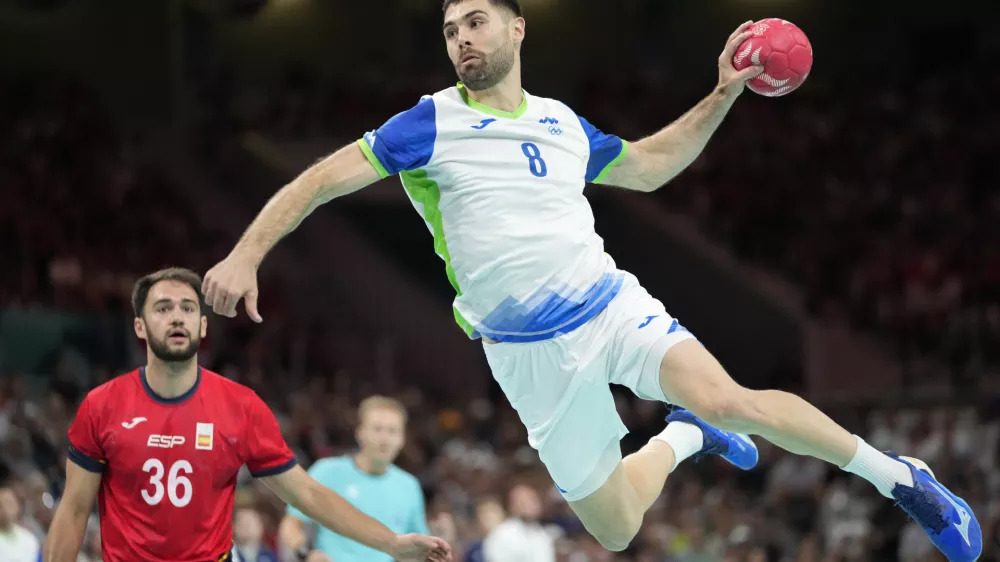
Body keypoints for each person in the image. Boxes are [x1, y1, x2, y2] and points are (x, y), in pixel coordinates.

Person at [201, 1, 982, 560]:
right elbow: (318, 181)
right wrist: (246, 254)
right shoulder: (429, 123)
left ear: (517, 27)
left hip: (609, 305)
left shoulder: (563, 123)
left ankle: (898, 476)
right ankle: (684, 439)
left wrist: (724, 90)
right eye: (447, 30)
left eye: (474, 22)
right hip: (524, 353)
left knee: (731, 396)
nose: (460, 40)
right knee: (613, 527)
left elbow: (651, 166)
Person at [44, 267, 452, 562]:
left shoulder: (240, 406)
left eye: (187, 308)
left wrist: (391, 544)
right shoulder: (102, 405)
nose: (176, 317)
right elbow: (74, 509)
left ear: (203, 327)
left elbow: (305, 493)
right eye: (163, 308)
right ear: (139, 326)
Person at [278, 395, 430, 562]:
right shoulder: (327, 471)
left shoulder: (409, 487)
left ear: (402, 439)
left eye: (392, 431)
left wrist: (442, 539)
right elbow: (291, 525)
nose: (384, 439)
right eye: (377, 429)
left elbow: (418, 550)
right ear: (360, 433)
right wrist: (307, 554)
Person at [481, 484, 554, 562]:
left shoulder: (542, 534)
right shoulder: (502, 535)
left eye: (533, 500)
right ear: (513, 506)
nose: (530, 505)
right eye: (524, 502)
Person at [0, 485, 41, 562]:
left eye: (9, 503)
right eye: (0, 505)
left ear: (17, 506)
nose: (6, 508)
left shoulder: (30, 539)